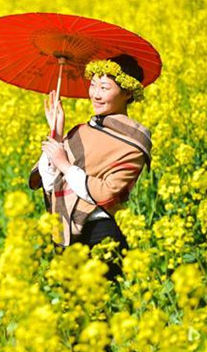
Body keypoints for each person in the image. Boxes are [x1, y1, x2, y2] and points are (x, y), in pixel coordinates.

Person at [28, 54, 153, 284]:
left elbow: (107, 192)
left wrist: (65, 164)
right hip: (67, 235)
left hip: (102, 234)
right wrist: (56, 132)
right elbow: (50, 183)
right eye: (93, 84)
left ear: (127, 93)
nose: (95, 94)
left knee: (101, 312)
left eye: (104, 87)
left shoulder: (134, 142)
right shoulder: (80, 131)